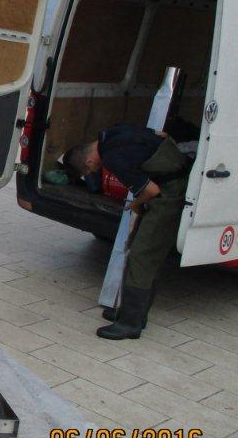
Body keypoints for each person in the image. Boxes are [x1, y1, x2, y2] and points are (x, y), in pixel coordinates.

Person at [63, 123, 191, 340]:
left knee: (142, 256)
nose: (94, 173)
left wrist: (135, 204)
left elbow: (151, 190)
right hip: (170, 181)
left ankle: (130, 323)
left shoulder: (113, 158)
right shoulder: (110, 134)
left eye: (90, 171)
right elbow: (161, 134)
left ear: (89, 162)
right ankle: (131, 313)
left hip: (169, 194)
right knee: (139, 252)